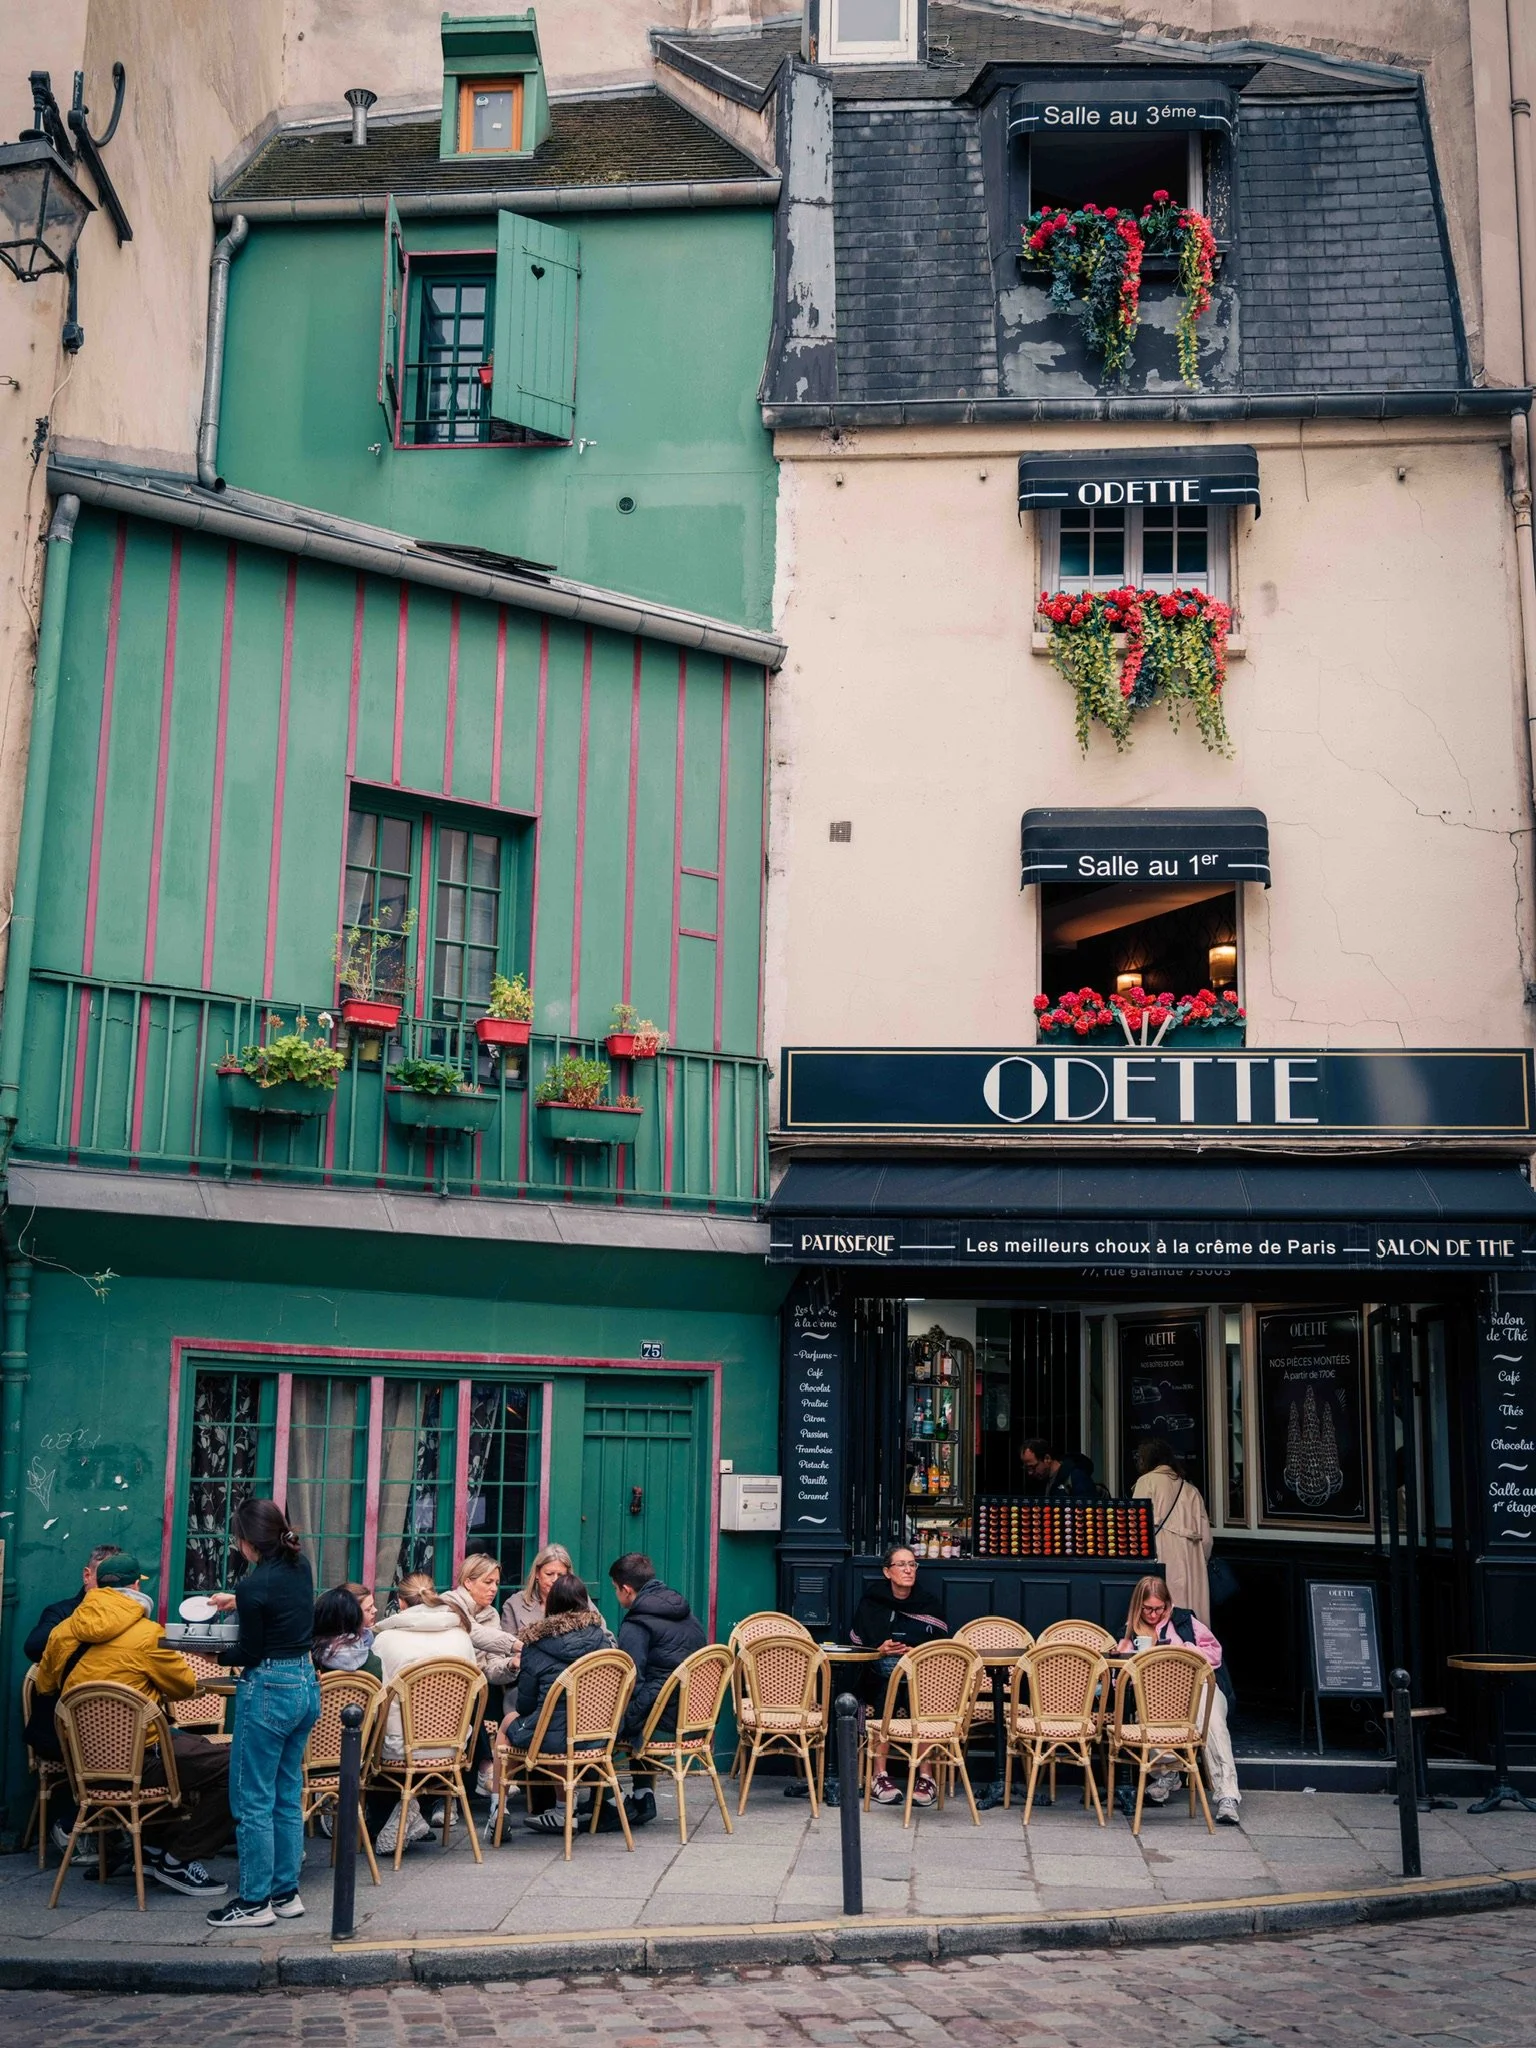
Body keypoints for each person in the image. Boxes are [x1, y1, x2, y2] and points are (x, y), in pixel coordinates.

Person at [36, 1551, 233, 1898]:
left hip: (84, 1767)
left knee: (196, 1751)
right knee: (239, 1765)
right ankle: (178, 1859)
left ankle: (152, 1849)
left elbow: (45, 1686)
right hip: (143, 1760)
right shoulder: (147, 1634)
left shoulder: (63, 1632)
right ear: (137, 1584)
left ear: (98, 1584)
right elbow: (185, 1686)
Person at [202, 1499, 318, 1928]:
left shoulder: (254, 1586)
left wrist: (213, 1653)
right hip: (305, 1682)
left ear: (248, 1543)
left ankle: (254, 1901)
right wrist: (238, 1601)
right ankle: (286, 1893)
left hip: (268, 1686)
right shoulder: (299, 1566)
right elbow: (280, 1605)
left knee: (253, 1799)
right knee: (287, 1796)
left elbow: (248, 1650)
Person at [500, 1572, 619, 1834]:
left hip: (553, 1739)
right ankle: (571, 1810)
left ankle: (499, 1811)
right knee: (558, 1722)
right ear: (583, 1603)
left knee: (512, 1722)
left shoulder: (536, 1644)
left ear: (551, 1604)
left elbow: (526, 1705)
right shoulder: (601, 1641)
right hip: (597, 1737)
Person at [1118, 1574, 1240, 1826]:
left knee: (1214, 1725)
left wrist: (1187, 1649)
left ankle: (1227, 1795)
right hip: (1160, 1697)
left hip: (1199, 1687)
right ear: (1138, 1606)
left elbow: (1214, 1653)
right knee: (1145, 1717)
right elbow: (1117, 1676)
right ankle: (1169, 1771)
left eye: (1159, 1609)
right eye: (1147, 1609)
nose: (1153, 1615)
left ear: (1168, 1604)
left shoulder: (1185, 1621)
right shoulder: (1129, 1632)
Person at [371, 1573, 478, 1853]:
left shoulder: (386, 1640)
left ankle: (390, 1815)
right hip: (452, 1746)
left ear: (400, 1602)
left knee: (369, 1731)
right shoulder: (460, 1637)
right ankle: (410, 1813)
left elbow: (376, 1697)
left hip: (399, 1748)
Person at [610, 1551, 706, 1827]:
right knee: (645, 1702)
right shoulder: (686, 1614)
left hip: (663, 1720)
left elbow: (630, 1682)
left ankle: (606, 1803)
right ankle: (643, 1795)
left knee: (597, 1723)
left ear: (627, 1590)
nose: (617, 1595)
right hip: (695, 1717)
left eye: (616, 1589)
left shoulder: (636, 1624)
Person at [848, 1543, 948, 1807]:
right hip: (878, 1675)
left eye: (912, 1564)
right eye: (901, 1565)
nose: (908, 1570)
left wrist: (916, 1652)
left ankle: (926, 1777)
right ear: (886, 1571)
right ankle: (879, 1776)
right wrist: (881, 1649)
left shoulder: (928, 1603)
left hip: (920, 1679)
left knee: (922, 1696)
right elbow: (859, 1645)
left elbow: (941, 1648)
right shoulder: (872, 1602)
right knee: (886, 1690)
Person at [443, 1553, 522, 1795]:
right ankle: (487, 1768)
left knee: (496, 1694)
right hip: (444, 1688)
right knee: (474, 1694)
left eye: (497, 1583)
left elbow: (492, 1666)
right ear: (468, 1582)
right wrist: (515, 1645)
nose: (494, 1589)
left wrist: (510, 1665)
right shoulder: (447, 1603)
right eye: (488, 1582)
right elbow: (471, 1631)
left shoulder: (491, 1614)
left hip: (477, 1687)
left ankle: (503, 1770)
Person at [1131, 1440, 1214, 1623]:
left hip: (1160, 1558)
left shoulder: (1146, 1482)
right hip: (1191, 1561)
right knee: (1190, 1621)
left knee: (1158, 1614)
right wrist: (1199, 1562)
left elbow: (1137, 1527)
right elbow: (1207, 1540)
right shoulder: (1191, 1490)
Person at [24, 1543, 125, 1664]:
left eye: (119, 1580)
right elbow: (34, 1649)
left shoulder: (133, 1616)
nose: (111, 1586)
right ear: (87, 1576)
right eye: (104, 1578)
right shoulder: (60, 1612)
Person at [503, 1543, 579, 1635]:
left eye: (560, 1575)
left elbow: (599, 1636)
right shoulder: (514, 1604)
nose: (555, 1580)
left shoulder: (579, 1599)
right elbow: (507, 1646)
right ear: (537, 1574)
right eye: (549, 1574)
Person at [311, 1585, 380, 1676]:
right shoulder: (374, 1664)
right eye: (368, 1609)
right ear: (356, 1617)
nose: (375, 1610)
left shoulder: (309, 1665)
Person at [1021, 1440, 1095, 1499]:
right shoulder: (1039, 1482)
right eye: (1027, 1468)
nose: (1030, 1472)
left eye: (1033, 1467)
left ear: (1047, 1458)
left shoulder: (1076, 1477)